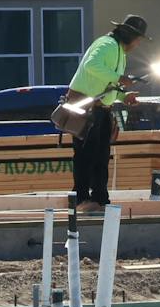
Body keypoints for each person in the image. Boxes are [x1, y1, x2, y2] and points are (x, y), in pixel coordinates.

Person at [61, 14, 148, 214]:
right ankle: (81, 199)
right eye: (138, 39)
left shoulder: (119, 53)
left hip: (99, 108)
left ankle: (100, 199)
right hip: (85, 107)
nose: (137, 43)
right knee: (85, 155)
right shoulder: (107, 44)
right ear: (129, 35)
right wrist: (119, 78)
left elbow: (108, 86)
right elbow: (92, 65)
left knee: (100, 156)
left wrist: (122, 96)